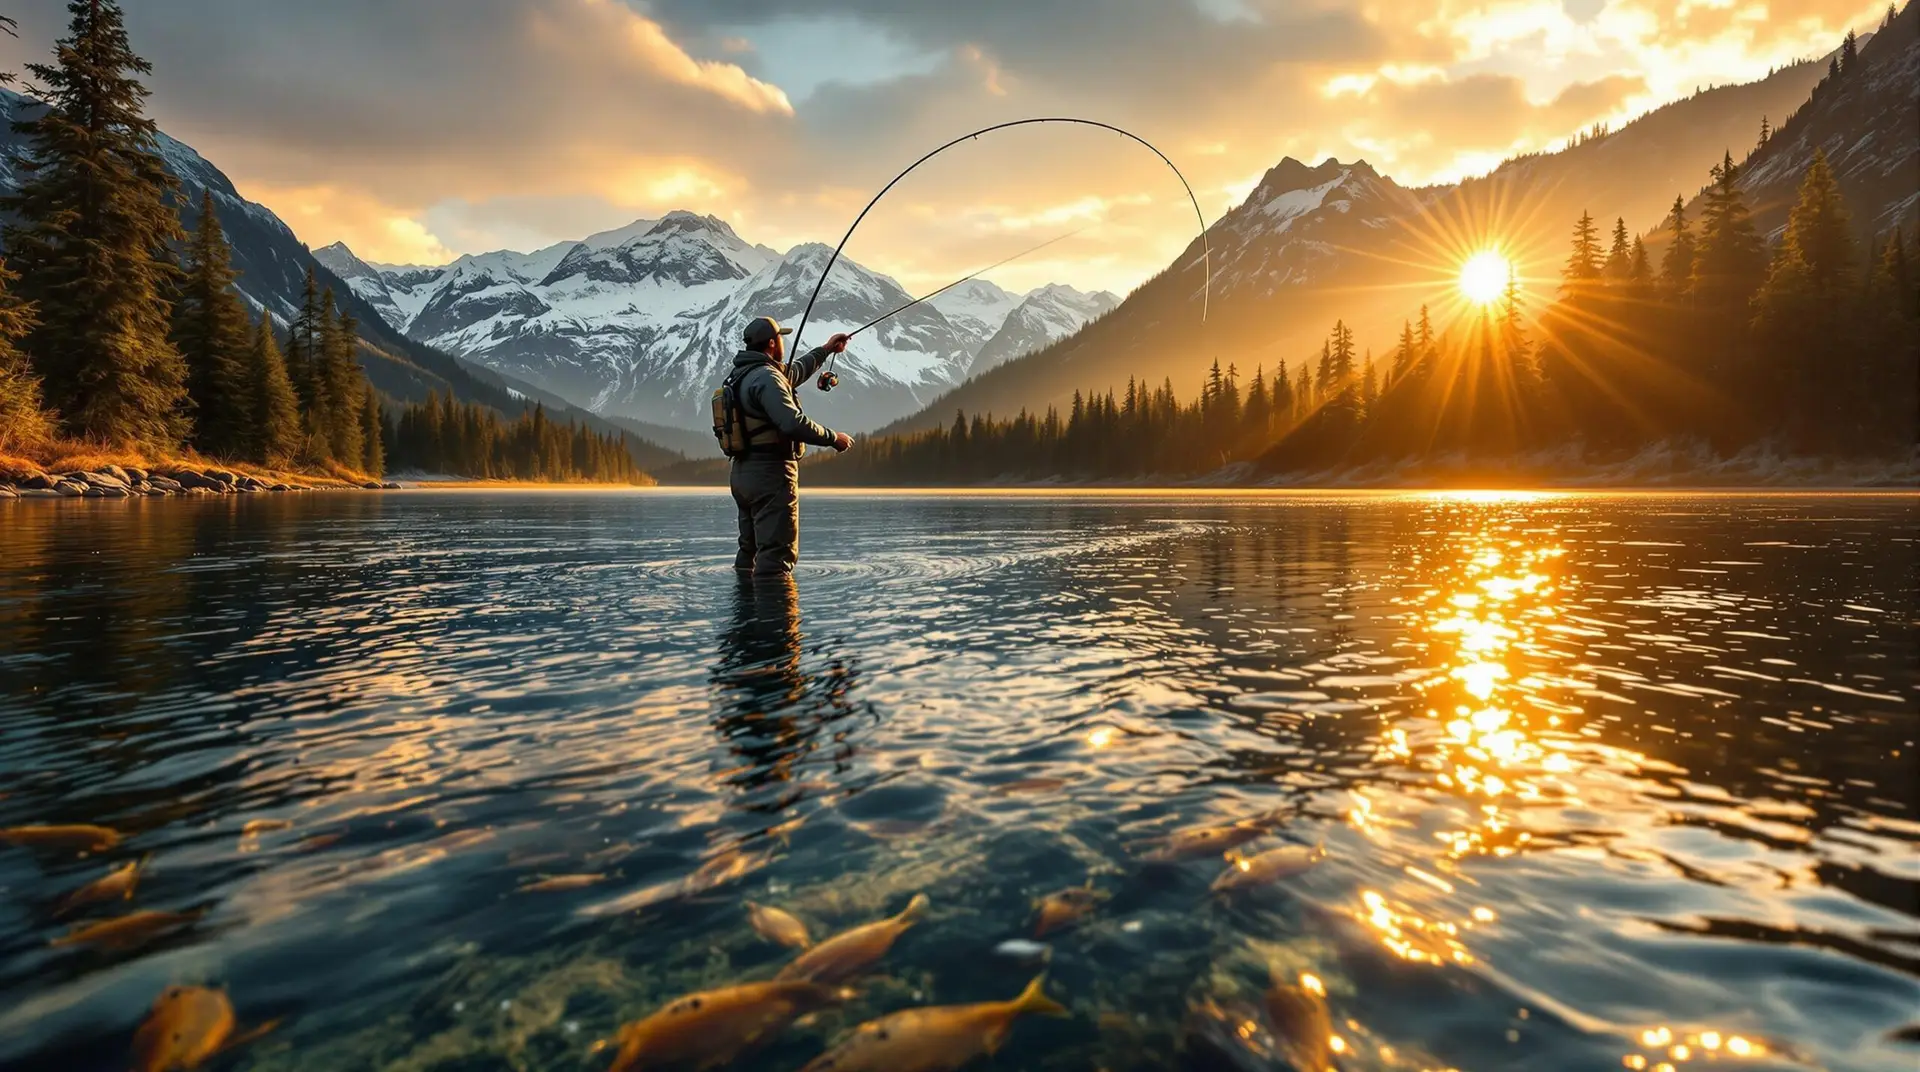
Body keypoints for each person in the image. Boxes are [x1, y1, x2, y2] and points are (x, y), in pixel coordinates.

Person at [727, 316, 855, 575]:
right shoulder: (767, 378)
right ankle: (777, 614)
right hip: (771, 474)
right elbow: (791, 422)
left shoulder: (744, 374)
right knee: (777, 555)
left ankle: (745, 612)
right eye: (781, 338)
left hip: (743, 474)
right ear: (773, 343)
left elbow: (794, 372)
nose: (783, 342)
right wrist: (833, 438)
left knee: (749, 551)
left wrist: (827, 349)